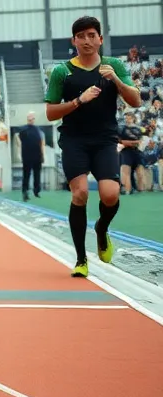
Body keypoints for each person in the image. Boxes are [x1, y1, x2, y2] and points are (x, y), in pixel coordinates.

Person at [44, 16, 142, 278]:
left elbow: (136, 102)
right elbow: (51, 113)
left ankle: (101, 229)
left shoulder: (114, 65)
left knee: (110, 194)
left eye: (91, 35)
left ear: (100, 39)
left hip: (105, 140)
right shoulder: (61, 71)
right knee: (80, 194)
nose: (86, 41)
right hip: (74, 140)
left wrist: (117, 82)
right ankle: (80, 259)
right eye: (81, 36)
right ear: (73, 40)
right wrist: (79, 100)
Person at [17, 112, 45, 201]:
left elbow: (42, 143)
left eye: (32, 118)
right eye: (30, 118)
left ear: (34, 119)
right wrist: (19, 150)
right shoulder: (23, 129)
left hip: (36, 156)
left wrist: (43, 155)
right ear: (28, 119)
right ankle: (25, 192)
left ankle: (36, 191)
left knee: (37, 175)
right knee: (26, 175)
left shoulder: (38, 130)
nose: (31, 120)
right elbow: (17, 139)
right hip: (27, 156)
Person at [118, 112, 143, 195]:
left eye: (129, 118)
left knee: (140, 173)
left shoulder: (138, 129)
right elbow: (120, 141)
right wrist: (132, 142)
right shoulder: (121, 128)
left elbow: (139, 142)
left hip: (136, 152)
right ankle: (127, 190)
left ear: (133, 119)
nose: (127, 119)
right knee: (126, 172)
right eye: (126, 118)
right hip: (126, 152)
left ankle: (139, 190)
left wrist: (131, 143)